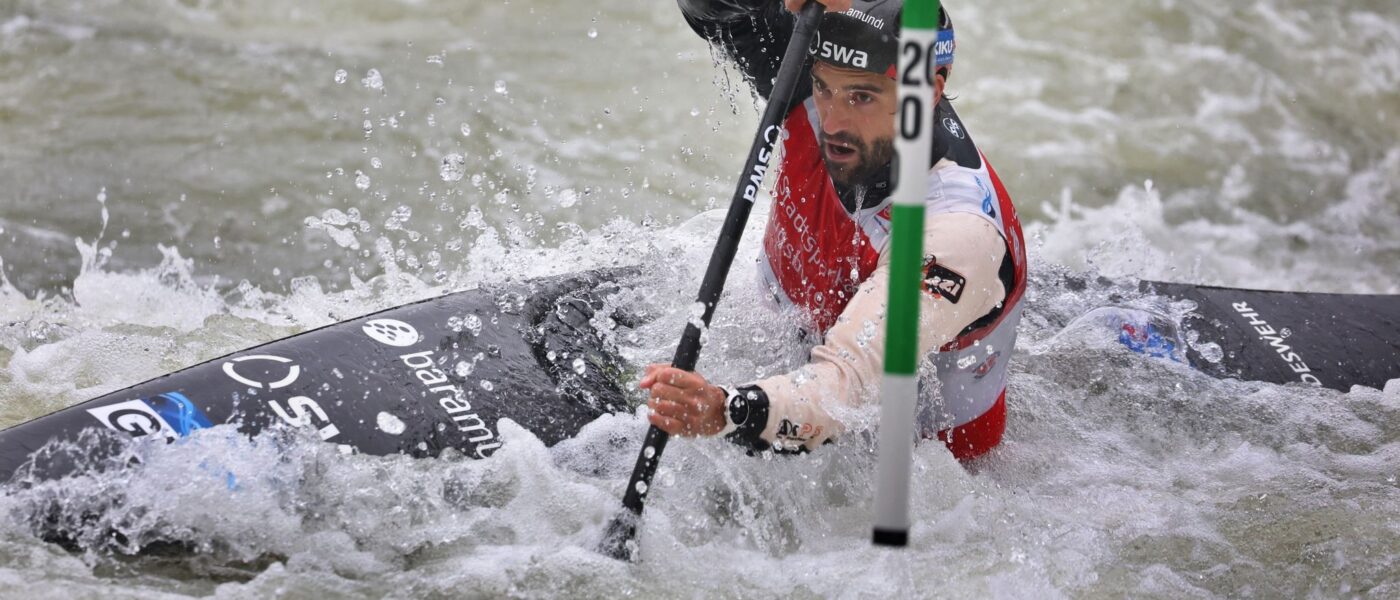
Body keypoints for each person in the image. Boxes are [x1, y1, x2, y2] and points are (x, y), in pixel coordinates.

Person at [643, 0, 1028, 461]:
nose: (833, 121)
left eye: (861, 97)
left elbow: (842, 393)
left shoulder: (955, 236)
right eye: (824, 88)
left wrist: (722, 410)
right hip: (780, 339)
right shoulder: (808, 60)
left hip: (913, 463)